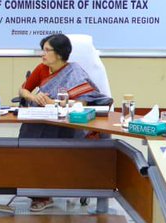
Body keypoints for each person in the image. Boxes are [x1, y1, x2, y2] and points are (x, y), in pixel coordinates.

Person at [18, 33, 108, 212]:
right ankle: (39, 191)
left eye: (46, 50)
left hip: (66, 123)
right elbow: (23, 90)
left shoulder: (75, 71)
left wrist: (55, 103)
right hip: (42, 120)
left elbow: (83, 102)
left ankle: (54, 187)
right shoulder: (42, 68)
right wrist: (33, 96)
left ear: (59, 54)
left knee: (54, 144)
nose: (42, 55)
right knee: (30, 140)